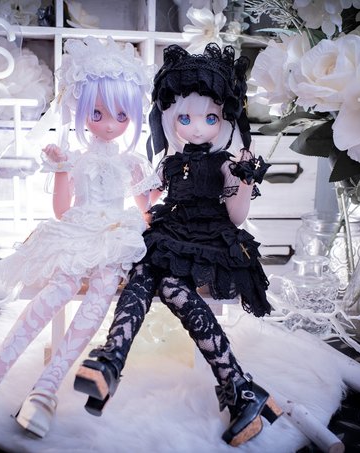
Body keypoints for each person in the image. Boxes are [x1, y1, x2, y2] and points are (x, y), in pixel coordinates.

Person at [0, 36, 157, 439]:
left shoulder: (132, 163)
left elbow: (145, 211)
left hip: (116, 237)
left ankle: (45, 390)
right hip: (78, 232)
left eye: (120, 115)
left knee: (97, 303)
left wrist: (157, 197)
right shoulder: (76, 159)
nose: (108, 124)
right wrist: (61, 171)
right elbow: (62, 210)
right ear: (81, 110)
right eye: (97, 113)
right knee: (52, 296)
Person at [73, 43, 281, 447]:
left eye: (210, 118)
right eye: (185, 117)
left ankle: (237, 387)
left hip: (209, 239)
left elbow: (237, 216)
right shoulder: (170, 161)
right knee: (143, 270)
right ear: (171, 119)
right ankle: (113, 360)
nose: (197, 127)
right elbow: (148, 200)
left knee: (169, 286)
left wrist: (244, 179)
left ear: (225, 119)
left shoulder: (225, 163)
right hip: (172, 231)